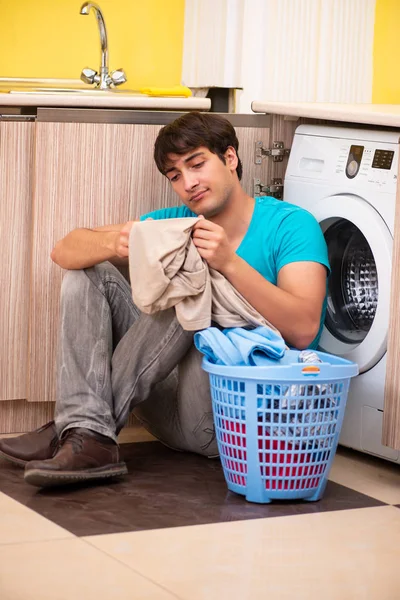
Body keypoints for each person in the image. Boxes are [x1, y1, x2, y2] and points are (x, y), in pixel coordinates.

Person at [0, 112, 329, 488]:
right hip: (163, 407)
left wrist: (228, 264)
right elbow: (65, 250)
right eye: (175, 176)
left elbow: (304, 330)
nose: (188, 183)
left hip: (234, 419)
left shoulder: (290, 224)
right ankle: (88, 431)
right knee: (88, 271)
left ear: (230, 159)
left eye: (197, 164)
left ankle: (72, 426)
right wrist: (116, 242)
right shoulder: (173, 224)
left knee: (190, 277)